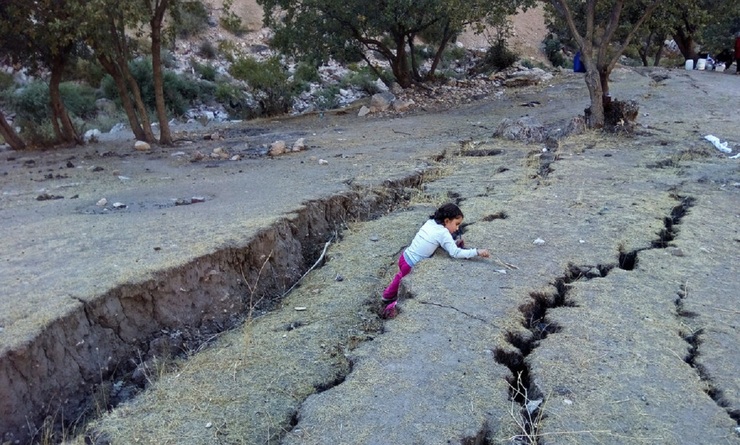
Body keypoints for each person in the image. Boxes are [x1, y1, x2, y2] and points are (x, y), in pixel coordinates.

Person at [381, 203, 490, 318]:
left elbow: (433, 240)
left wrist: (452, 243)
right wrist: (476, 251)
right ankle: (392, 308)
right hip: (411, 265)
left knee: (400, 277)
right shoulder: (443, 233)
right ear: (447, 221)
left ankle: (386, 296)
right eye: (456, 224)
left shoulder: (430, 223)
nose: (457, 228)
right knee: (408, 290)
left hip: (405, 257)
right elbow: (455, 253)